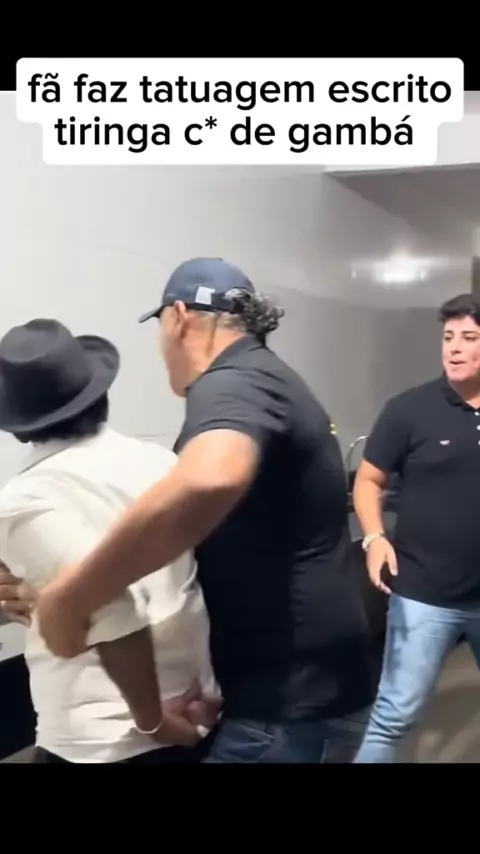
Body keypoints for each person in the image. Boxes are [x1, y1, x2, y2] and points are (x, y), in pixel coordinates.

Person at [1, 258, 375, 763]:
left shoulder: (233, 382)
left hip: (278, 703)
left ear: (177, 318)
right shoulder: (167, 453)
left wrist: (71, 596)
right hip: (250, 695)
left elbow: (209, 479)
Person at [0, 318, 218, 763]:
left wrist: (154, 722)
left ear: (19, 423)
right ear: (99, 393)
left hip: (103, 740)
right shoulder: (162, 464)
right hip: (194, 705)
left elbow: (110, 606)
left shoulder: (25, 499)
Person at [353, 293, 480, 763]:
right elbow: (369, 480)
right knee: (396, 714)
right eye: (449, 337)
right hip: (424, 595)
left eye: (469, 337)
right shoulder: (409, 409)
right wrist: (373, 537)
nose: (455, 347)